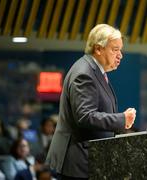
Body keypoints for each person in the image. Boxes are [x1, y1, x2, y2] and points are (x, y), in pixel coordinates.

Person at [46, 24, 136, 179]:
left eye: (120, 50)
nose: (120, 55)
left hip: (90, 159)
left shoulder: (94, 71)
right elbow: (85, 116)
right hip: (80, 162)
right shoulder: (85, 73)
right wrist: (122, 119)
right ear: (98, 49)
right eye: (115, 49)